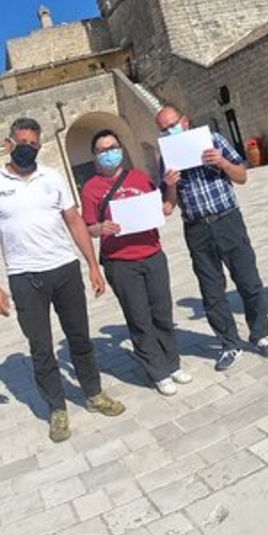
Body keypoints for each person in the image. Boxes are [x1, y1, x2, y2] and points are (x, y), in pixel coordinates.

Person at [0, 117, 126, 442]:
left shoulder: (52, 177)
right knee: (41, 348)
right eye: (22, 143)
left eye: (33, 144)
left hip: (64, 269)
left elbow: (73, 220)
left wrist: (92, 264)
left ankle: (94, 393)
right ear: (8, 143)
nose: (27, 149)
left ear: (39, 146)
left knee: (80, 338)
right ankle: (57, 408)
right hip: (24, 277)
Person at [155, 104, 268, 371]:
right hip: (197, 228)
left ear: (185, 121)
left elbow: (242, 176)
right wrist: (171, 185)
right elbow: (169, 205)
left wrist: (221, 162)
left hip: (227, 220)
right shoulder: (166, 158)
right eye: (164, 129)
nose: (170, 131)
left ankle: (260, 335)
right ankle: (229, 344)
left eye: (173, 124)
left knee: (249, 281)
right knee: (211, 291)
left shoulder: (214, 140)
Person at [81, 129, 192, 396]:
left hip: (152, 254)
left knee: (162, 313)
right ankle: (157, 371)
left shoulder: (139, 178)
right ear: (95, 156)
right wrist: (101, 228)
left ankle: (172, 363)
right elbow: (87, 228)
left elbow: (165, 208)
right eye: (103, 150)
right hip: (121, 263)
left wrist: (172, 186)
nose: (110, 153)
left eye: (113, 147)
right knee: (139, 318)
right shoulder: (91, 189)